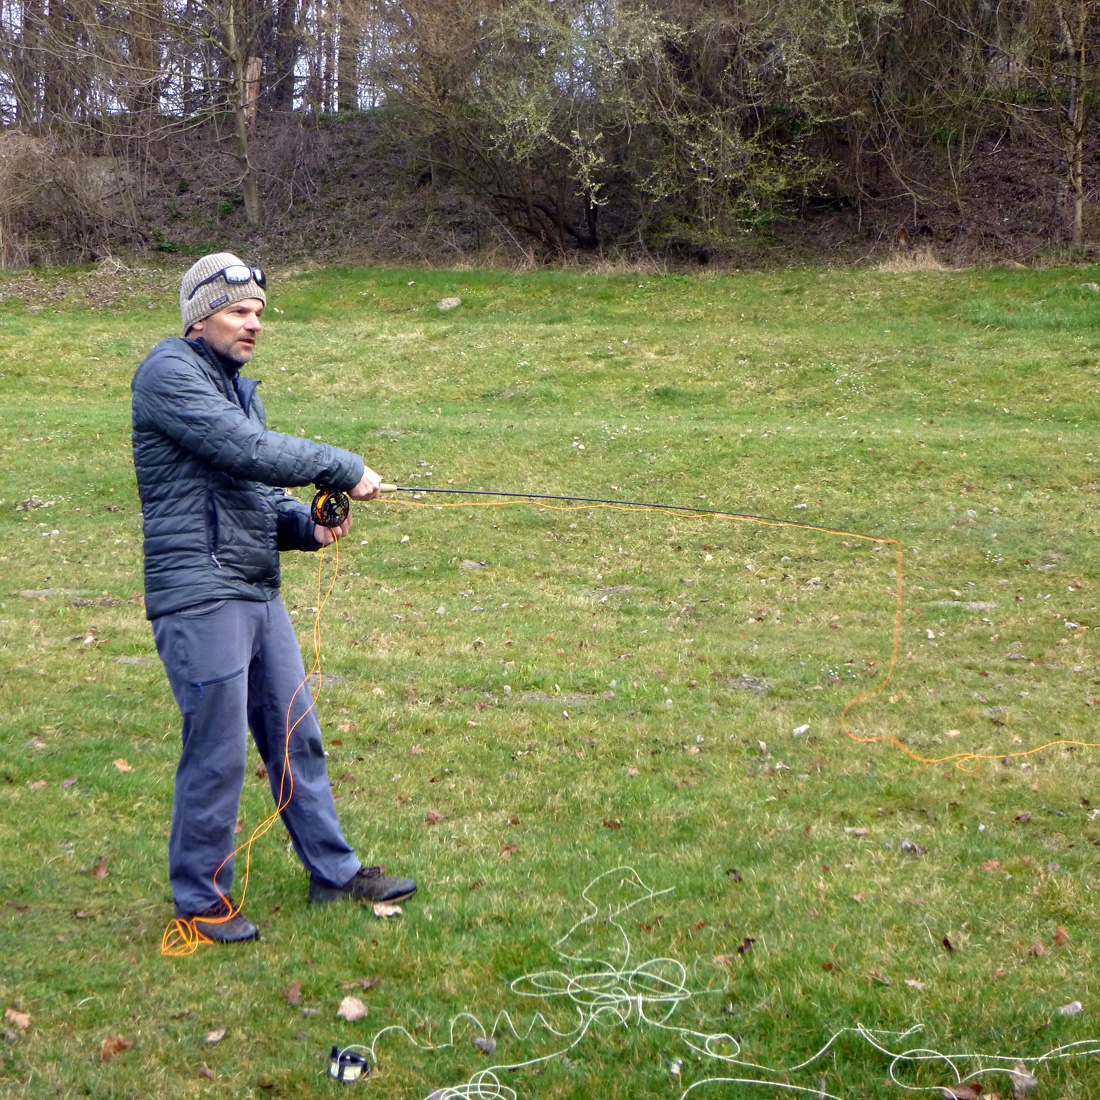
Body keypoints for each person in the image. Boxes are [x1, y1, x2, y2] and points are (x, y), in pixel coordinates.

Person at [131, 252, 416, 943]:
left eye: (258, 312)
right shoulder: (167, 373)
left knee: (296, 736)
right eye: (238, 311)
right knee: (218, 751)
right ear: (200, 318)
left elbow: (257, 491)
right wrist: (344, 467)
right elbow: (248, 451)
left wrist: (305, 526)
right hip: (200, 593)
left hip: (255, 587)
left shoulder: (239, 390)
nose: (253, 323)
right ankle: (202, 902)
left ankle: (333, 871)